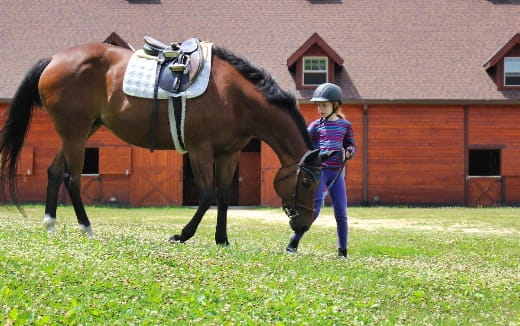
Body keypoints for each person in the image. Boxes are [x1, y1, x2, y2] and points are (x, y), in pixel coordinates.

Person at [286, 83, 356, 258]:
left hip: (337, 173)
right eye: (318, 105)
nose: (320, 109)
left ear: (335, 105)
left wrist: (349, 151)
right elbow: (304, 145)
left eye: (324, 105)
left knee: (341, 212)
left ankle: (342, 251)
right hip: (320, 173)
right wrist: (319, 154)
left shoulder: (345, 126)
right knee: (314, 208)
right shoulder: (315, 126)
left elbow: (351, 144)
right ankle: (293, 243)